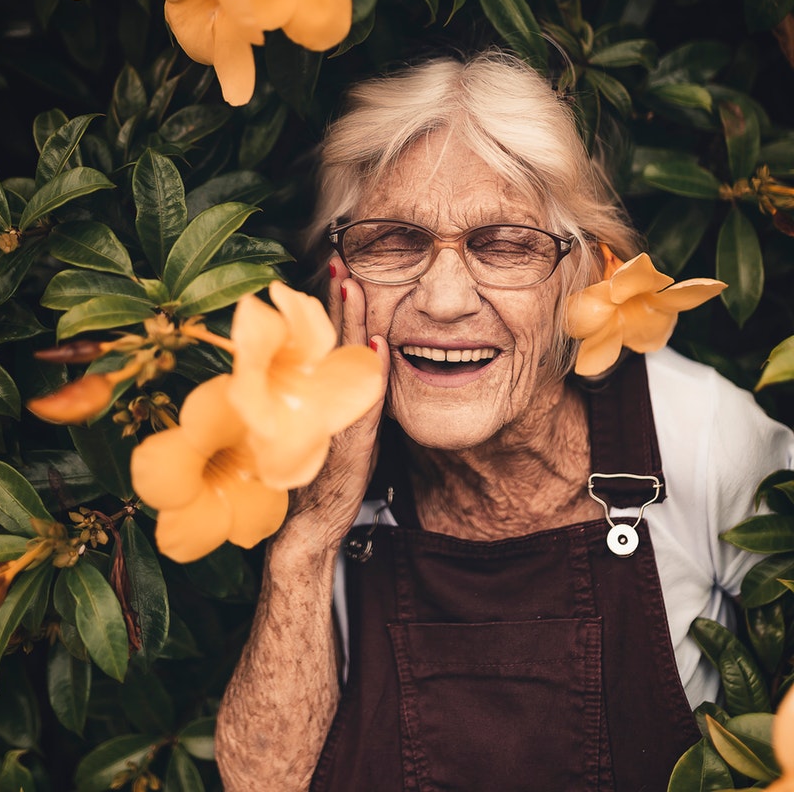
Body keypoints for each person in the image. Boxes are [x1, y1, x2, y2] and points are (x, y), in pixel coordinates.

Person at [214, 52, 794, 792]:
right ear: (342, 278)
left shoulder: (702, 435)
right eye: (394, 241)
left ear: (578, 275)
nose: (446, 299)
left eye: (506, 245)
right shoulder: (322, 454)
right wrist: (310, 535)